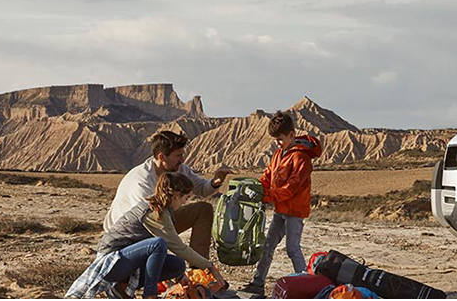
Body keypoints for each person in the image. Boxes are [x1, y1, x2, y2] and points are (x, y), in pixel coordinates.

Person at [69, 173, 225, 298]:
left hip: (128, 263)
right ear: (176, 195)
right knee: (158, 244)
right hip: (112, 262)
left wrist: (180, 277)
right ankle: (149, 295)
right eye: (186, 198)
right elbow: (179, 247)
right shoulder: (154, 212)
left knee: (177, 265)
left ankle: (122, 286)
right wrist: (210, 267)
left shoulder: (164, 211)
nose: (185, 203)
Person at [104, 130, 232, 258]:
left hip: (160, 219)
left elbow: (202, 189)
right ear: (161, 157)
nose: (182, 160)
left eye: (182, 155)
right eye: (178, 156)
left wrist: (216, 181)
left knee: (203, 209)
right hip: (129, 236)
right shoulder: (142, 180)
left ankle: (198, 272)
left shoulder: (179, 169)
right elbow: (150, 220)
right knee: (165, 256)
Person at [243, 111, 323, 295]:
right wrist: (258, 188)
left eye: (280, 139)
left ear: (292, 134)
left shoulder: (301, 158)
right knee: (267, 247)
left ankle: (307, 286)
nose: (277, 143)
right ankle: (257, 283)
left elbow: (291, 188)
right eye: (275, 140)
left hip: (294, 211)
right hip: (280, 210)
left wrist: (268, 196)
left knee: (292, 249)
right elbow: (268, 176)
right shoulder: (279, 154)